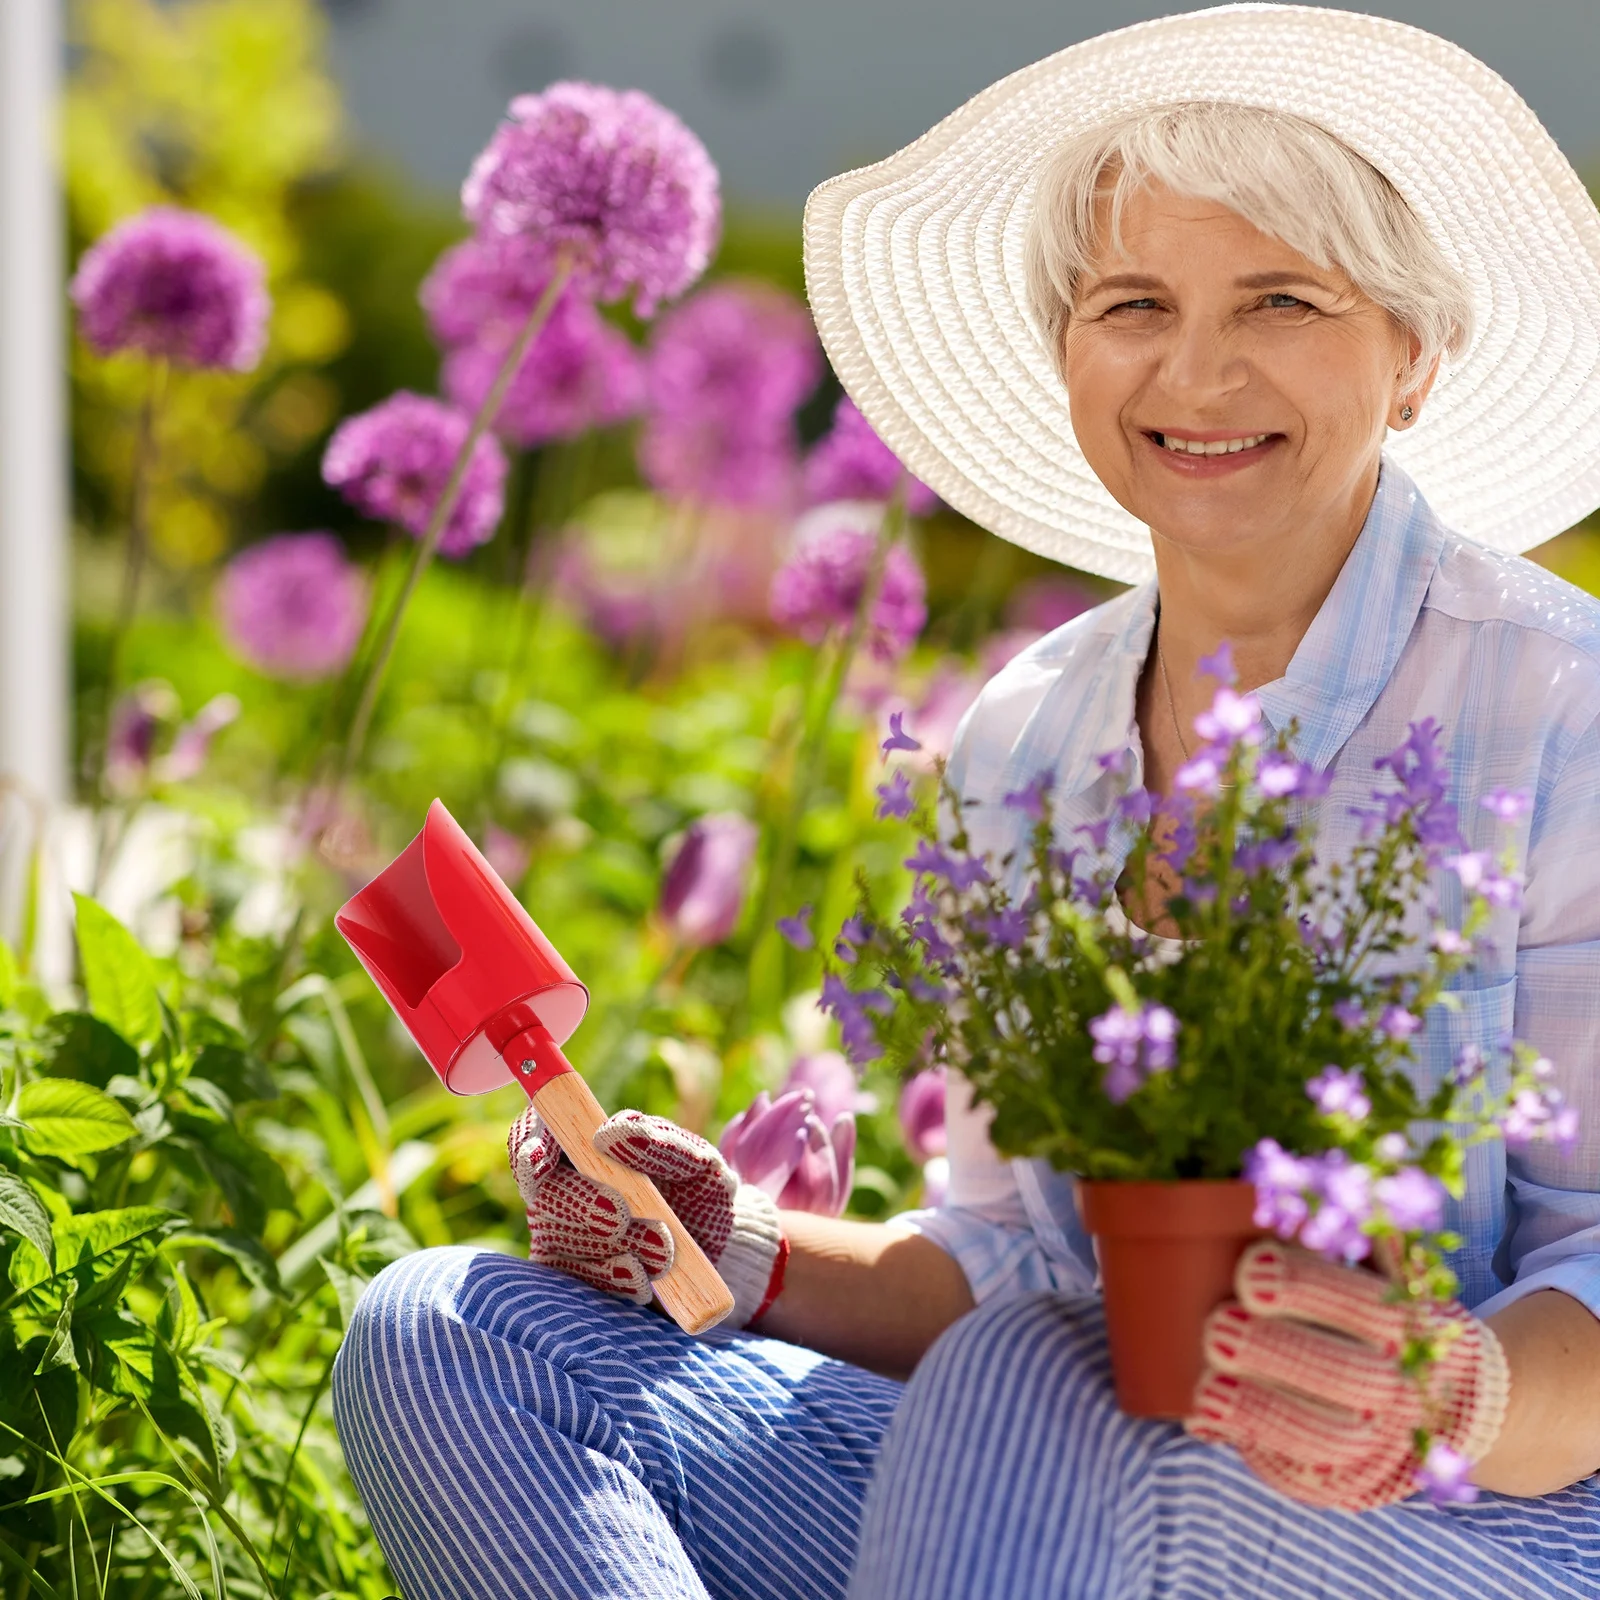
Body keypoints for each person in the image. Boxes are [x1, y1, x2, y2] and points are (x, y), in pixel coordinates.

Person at [331, 8, 1600, 1597]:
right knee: (452, 1339)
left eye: (1283, 299)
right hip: (1037, 1500)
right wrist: (733, 1244)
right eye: (1133, 302)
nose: (1197, 370)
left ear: (1412, 354)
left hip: (1476, 1528)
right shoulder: (1028, 734)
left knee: (1035, 1393)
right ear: (1069, 351)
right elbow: (1009, 1268)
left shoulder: (1563, 708)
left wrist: (1454, 1390)